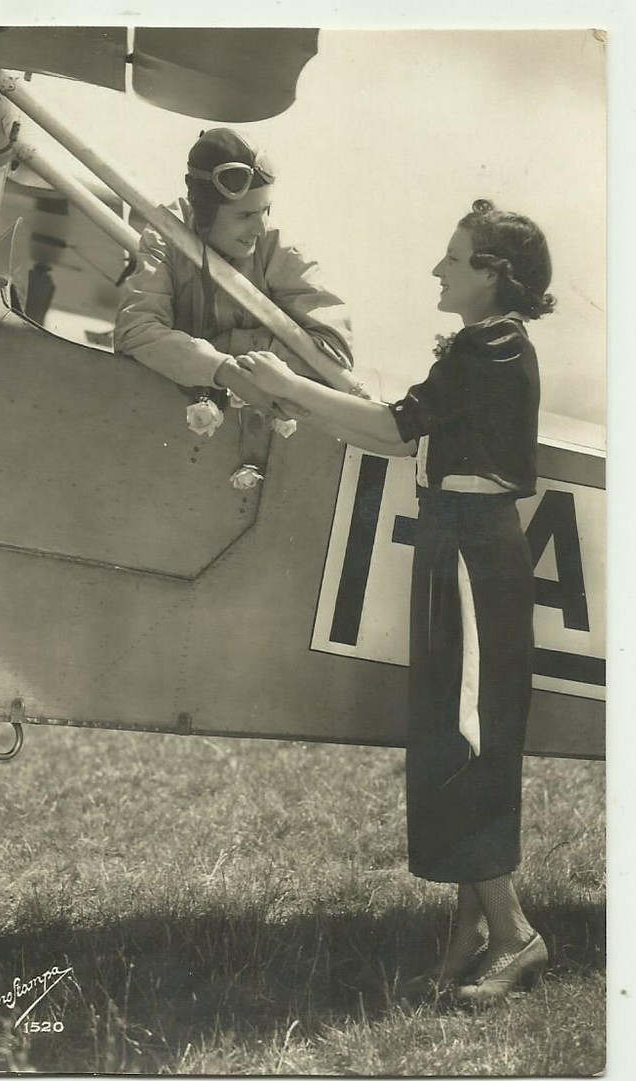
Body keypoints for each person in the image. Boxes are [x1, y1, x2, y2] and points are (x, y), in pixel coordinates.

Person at [237, 199, 555, 1007]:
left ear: (494, 275)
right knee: (451, 738)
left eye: (454, 258)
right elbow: (401, 431)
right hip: (458, 540)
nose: (438, 271)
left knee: (465, 739)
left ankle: (518, 937)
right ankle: (470, 932)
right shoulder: (488, 344)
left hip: (476, 550)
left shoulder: (490, 345)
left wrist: (285, 384)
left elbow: (394, 427)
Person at [114, 127, 354, 417]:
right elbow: (135, 332)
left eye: (266, 210)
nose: (261, 228)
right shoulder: (167, 234)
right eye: (245, 215)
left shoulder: (279, 249)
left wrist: (232, 348)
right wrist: (222, 369)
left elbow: (335, 352)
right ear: (204, 211)